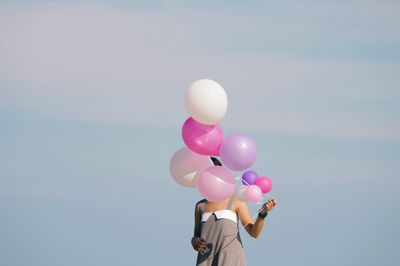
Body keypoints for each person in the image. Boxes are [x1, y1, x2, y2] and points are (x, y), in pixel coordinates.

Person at [191, 157, 277, 266]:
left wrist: (262, 214)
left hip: (231, 260)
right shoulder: (200, 205)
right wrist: (194, 242)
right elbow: (196, 237)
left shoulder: (236, 200)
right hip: (205, 260)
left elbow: (253, 233)